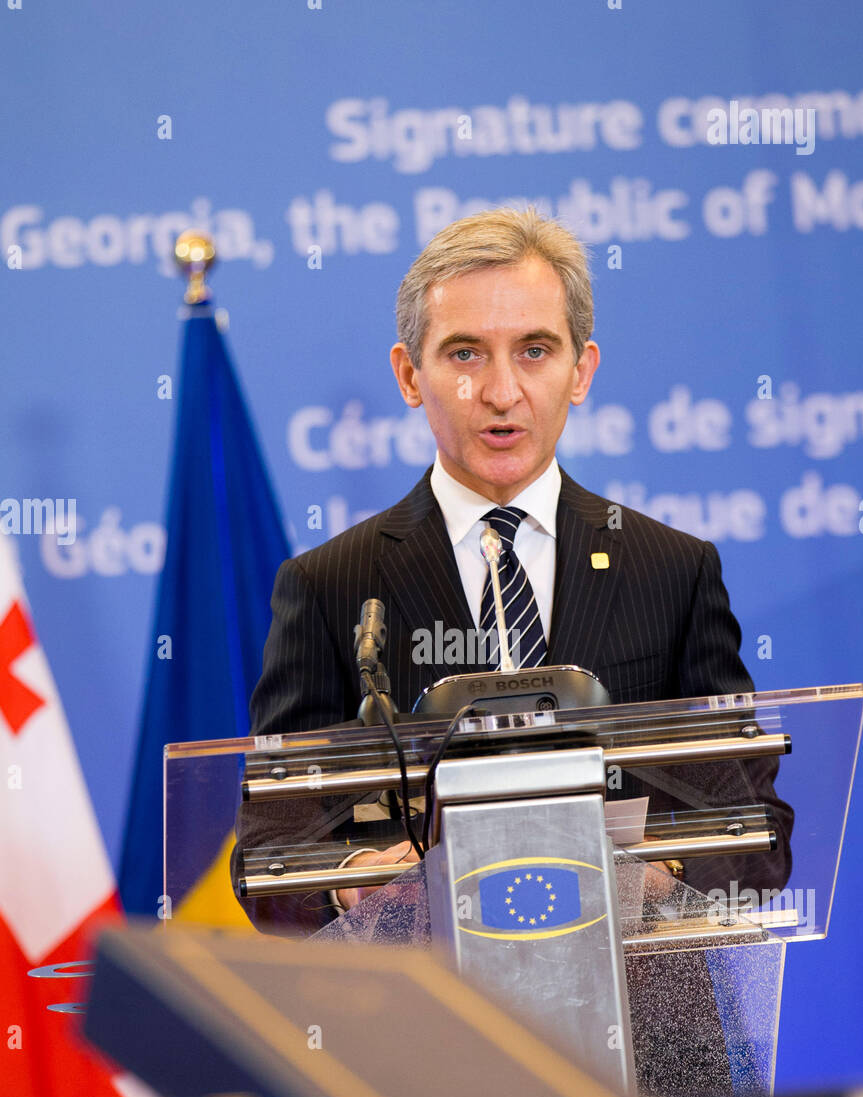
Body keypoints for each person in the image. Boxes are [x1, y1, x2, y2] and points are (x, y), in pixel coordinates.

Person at [243, 205, 791, 922]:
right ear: (409, 375)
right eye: (464, 353)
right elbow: (267, 851)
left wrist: (666, 875)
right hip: (425, 1014)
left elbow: (756, 831)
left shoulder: (671, 571)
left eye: (534, 350)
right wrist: (352, 880)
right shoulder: (329, 587)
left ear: (580, 369)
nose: (501, 392)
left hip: (641, 1018)